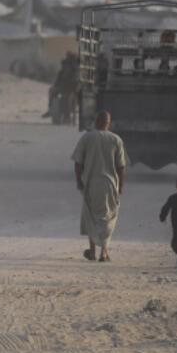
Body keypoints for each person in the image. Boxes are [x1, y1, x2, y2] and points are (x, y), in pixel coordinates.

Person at [71, 110, 126, 263]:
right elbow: (121, 167)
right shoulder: (116, 139)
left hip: (91, 184)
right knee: (108, 217)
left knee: (91, 217)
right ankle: (104, 252)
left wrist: (78, 181)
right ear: (108, 123)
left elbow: (78, 163)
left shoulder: (87, 138)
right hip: (109, 185)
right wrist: (120, 185)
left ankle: (93, 252)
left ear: (96, 122)